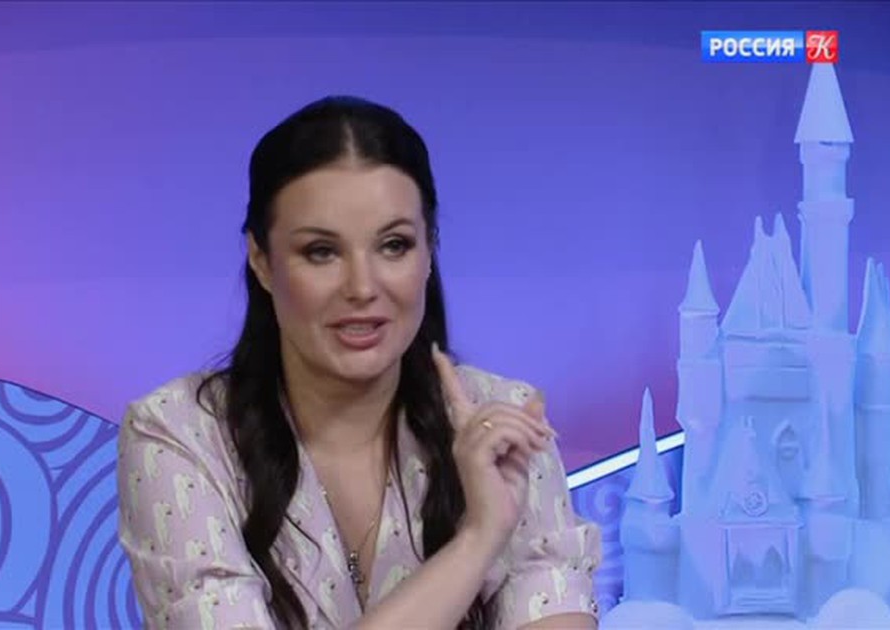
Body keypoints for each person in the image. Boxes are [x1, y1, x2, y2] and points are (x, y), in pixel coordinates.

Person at [117, 95, 602, 629]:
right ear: (261, 260)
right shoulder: (180, 433)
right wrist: (478, 538)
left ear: (430, 250)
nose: (362, 287)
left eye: (393, 245)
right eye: (321, 252)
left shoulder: (501, 421)